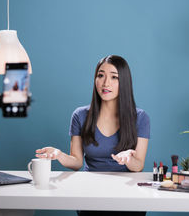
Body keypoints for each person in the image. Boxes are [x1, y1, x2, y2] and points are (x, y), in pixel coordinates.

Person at [35, 55, 150, 216]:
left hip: (127, 193)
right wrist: (59, 155)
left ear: (124, 81)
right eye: (100, 75)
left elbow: (139, 166)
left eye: (114, 77)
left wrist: (129, 159)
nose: (105, 83)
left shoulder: (140, 117)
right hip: (90, 191)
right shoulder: (80, 115)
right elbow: (76, 162)